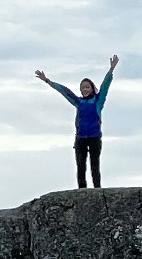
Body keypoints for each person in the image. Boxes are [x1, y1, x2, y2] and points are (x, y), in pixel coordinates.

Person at [36, 54, 119, 188]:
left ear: (92, 88)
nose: (84, 89)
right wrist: (48, 81)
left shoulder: (98, 100)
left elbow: (105, 86)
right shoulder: (78, 102)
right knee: (80, 165)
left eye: (87, 87)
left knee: (94, 165)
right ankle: (82, 191)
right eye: (82, 87)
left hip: (94, 137)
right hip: (80, 138)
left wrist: (111, 70)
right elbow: (65, 92)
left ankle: (97, 189)